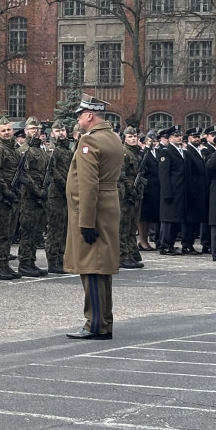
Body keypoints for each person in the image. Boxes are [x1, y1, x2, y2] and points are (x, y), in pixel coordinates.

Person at [65, 94, 123, 340]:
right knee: (101, 268)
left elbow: (88, 185)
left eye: (80, 115)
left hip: (93, 210)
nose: (78, 119)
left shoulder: (90, 142)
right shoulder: (113, 137)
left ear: (89, 115)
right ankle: (103, 321)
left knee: (91, 268)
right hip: (108, 205)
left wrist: (85, 222)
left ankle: (96, 323)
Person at [0, 116, 23, 280]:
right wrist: (6, 190)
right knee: (1, 232)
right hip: (3, 197)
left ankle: (5, 264)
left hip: (13, 196)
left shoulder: (14, 149)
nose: (7, 133)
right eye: (3, 130)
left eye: (9, 130)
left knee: (9, 232)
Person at [17, 117, 48, 277]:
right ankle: (24, 262)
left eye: (38, 129)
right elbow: (25, 175)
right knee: (28, 230)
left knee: (36, 230)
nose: (36, 131)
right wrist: (38, 191)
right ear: (26, 131)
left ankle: (31, 261)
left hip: (39, 196)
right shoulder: (25, 150)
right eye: (32, 129)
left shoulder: (40, 149)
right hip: (29, 196)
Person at [44, 121, 72, 274]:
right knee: (55, 228)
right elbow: (52, 171)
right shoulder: (52, 150)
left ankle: (62, 257)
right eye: (57, 130)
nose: (61, 133)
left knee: (64, 227)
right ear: (52, 133)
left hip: (67, 193)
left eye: (63, 130)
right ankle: (53, 259)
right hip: (56, 193)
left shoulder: (67, 150)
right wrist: (66, 184)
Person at [157, 126, 186, 255]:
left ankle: (171, 244)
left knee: (175, 219)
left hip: (179, 191)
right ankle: (164, 245)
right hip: (171, 191)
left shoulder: (180, 151)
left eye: (180, 135)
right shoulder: (167, 152)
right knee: (168, 220)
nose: (179, 137)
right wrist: (167, 193)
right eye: (176, 136)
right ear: (169, 139)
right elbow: (164, 175)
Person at [117, 126, 144, 269]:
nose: (133, 139)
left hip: (136, 194)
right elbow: (121, 174)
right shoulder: (124, 153)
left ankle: (131, 252)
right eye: (130, 137)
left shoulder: (137, 153)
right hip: (126, 194)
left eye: (135, 137)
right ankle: (122, 255)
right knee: (123, 226)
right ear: (124, 139)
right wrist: (130, 188)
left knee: (132, 226)